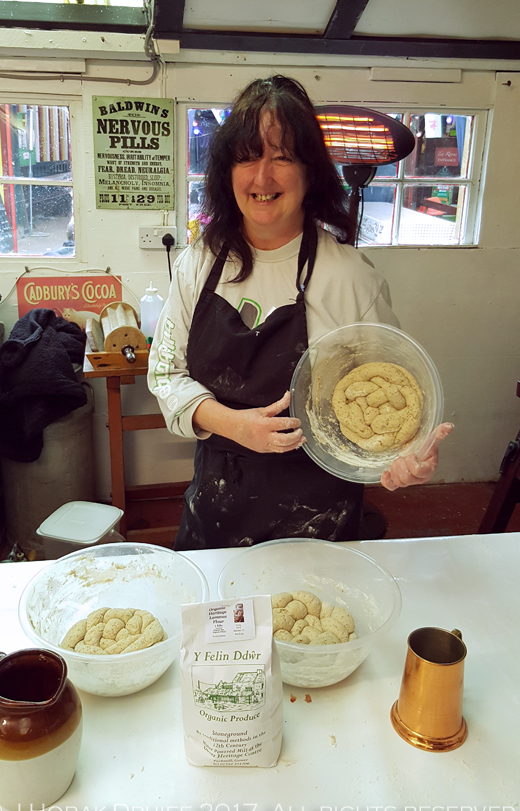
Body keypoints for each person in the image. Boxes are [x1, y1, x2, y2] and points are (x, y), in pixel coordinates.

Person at [148, 75, 452, 551]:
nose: (262, 177)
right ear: (227, 171)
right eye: (247, 156)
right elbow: (166, 373)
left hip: (320, 519)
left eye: (283, 157)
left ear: (311, 171)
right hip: (216, 511)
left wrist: (402, 460)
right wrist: (235, 424)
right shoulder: (199, 262)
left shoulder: (351, 279)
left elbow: (384, 398)